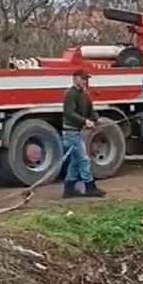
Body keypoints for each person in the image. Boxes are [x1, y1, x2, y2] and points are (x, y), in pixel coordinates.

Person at [62, 70, 105, 199]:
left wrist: (96, 119)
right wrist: (85, 121)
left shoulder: (84, 94)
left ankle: (69, 189)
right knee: (84, 159)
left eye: (86, 79)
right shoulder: (70, 94)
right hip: (70, 132)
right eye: (82, 78)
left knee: (75, 161)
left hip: (77, 131)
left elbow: (90, 110)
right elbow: (69, 113)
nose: (85, 81)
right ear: (74, 79)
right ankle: (89, 187)